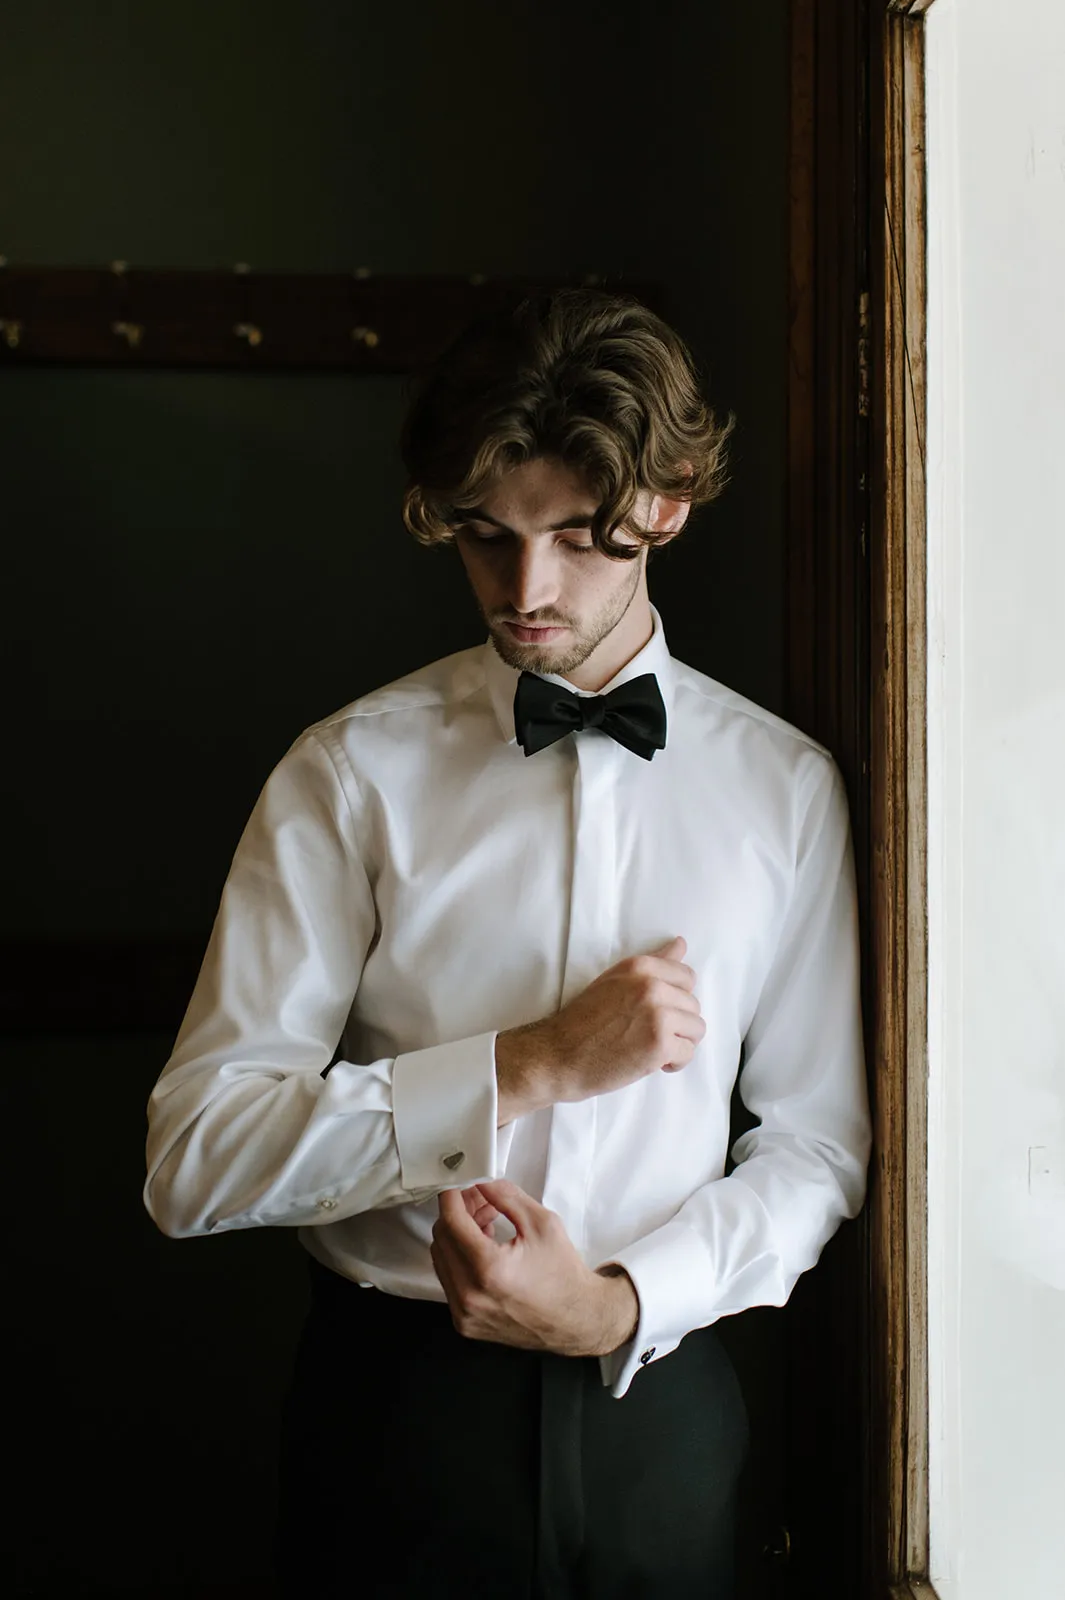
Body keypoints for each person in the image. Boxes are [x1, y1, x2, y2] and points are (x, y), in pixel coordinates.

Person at [143, 288, 871, 1599]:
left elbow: (817, 1149)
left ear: (668, 506)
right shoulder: (349, 778)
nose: (525, 591)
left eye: (577, 540)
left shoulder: (786, 790)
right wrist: (525, 1066)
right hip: (395, 1419)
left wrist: (618, 1307)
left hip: (667, 1414)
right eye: (485, 536)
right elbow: (195, 1161)